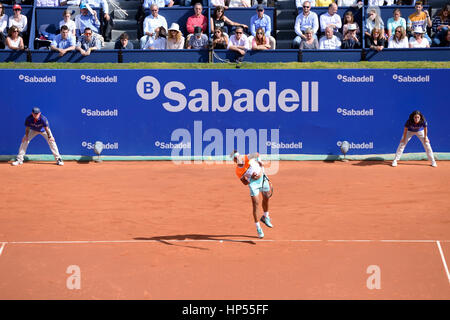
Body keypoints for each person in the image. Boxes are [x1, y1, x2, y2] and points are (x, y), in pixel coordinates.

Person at [231, 150, 273, 239]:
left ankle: (265, 217)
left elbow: (257, 154)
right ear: (234, 160)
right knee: (256, 204)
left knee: (266, 197)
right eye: (236, 158)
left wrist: (260, 162)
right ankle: (258, 228)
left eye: (239, 157)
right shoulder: (238, 171)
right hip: (253, 184)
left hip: (262, 178)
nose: (239, 159)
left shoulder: (246, 157)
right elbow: (245, 182)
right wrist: (250, 178)